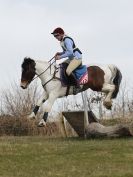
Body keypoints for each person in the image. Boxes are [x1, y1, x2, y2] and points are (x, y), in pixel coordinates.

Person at [51, 27, 82, 92]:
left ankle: (77, 86)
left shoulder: (67, 40)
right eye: (54, 36)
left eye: (57, 35)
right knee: (61, 65)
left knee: (68, 71)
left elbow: (70, 52)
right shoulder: (62, 41)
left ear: (61, 34)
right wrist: (60, 53)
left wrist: (60, 57)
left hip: (77, 58)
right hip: (71, 59)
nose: (56, 37)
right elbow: (66, 51)